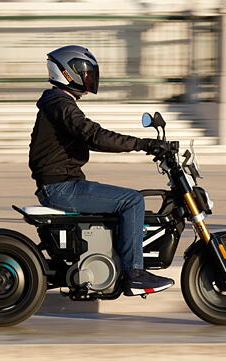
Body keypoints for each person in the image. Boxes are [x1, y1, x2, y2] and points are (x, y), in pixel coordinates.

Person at [29, 45, 175, 296]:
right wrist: (142, 144)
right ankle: (134, 273)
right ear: (68, 72)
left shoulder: (59, 103)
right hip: (61, 187)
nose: (90, 78)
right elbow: (93, 135)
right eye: (86, 72)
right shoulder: (61, 104)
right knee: (132, 200)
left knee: (123, 202)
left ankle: (118, 261)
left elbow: (89, 135)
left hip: (63, 183)